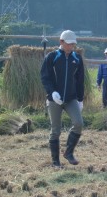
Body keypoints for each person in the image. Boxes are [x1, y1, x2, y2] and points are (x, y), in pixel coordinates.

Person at [40, 30, 84, 167]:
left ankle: (69, 152)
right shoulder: (52, 57)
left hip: (71, 98)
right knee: (56, 130)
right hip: (55, 99)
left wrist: (80, 99)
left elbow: (80, 80)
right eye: (69, 44)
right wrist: (52, 92)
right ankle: (55, 162)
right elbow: (45, 76)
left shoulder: (76, 58)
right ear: (61, 42)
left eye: (73, 44)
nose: (71, 46)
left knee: (79, 123)